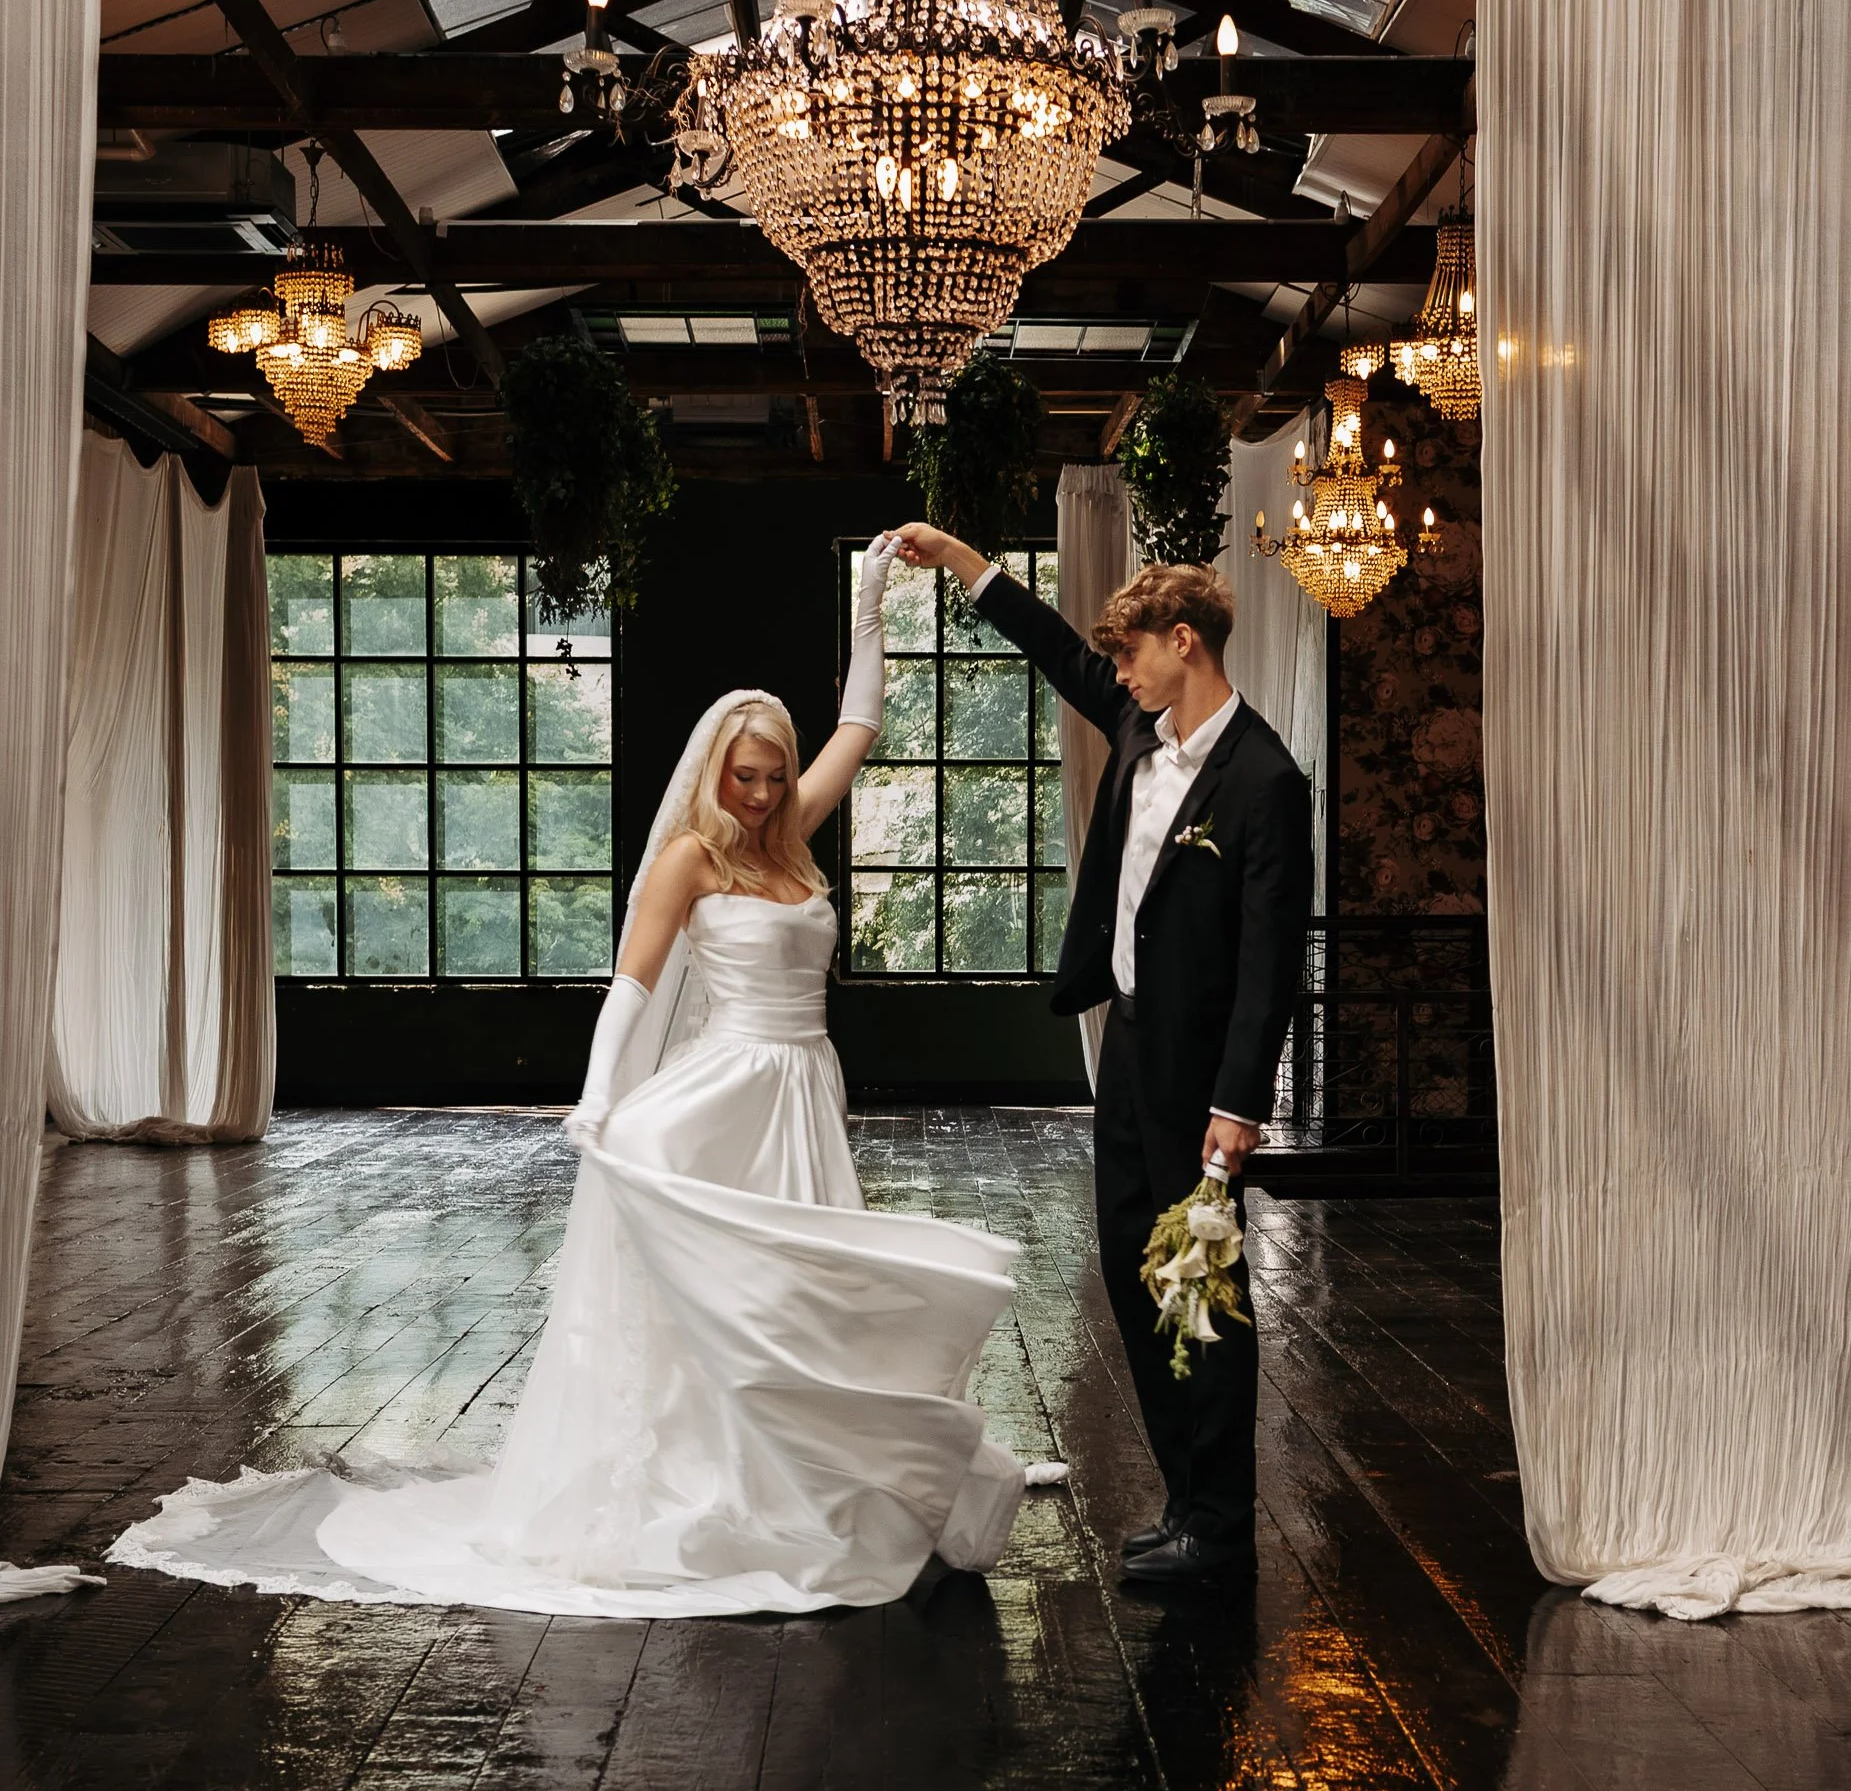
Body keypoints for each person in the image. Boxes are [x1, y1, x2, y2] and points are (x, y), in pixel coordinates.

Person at [109, 536, 1049, 1618]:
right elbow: (634, 988)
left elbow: (862, 724)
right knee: (730, 1294)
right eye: (739, 776)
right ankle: (718, 1478)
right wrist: (602, 1096)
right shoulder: (693, 856)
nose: (754, 792)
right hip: (724, 1089)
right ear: (713, 773)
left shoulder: (795, 835)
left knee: (801, 1290)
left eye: (771, 774)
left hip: (802, 1090)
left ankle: (822, 1471)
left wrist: (872, 600)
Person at [892, 527, 1313, 1584]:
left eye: (1132, 651)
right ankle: (1185, 1501)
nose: (1117, 671)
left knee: (1199, 1287)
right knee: (1137, 1277)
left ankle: (1218, 1525)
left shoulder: (1266, 779)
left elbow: (1270, 963)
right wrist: (959, 561)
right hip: (1126, 1046)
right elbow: (1057, 653)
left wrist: (1238, 1103)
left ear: (1185, 640)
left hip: (1200, 1079)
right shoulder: (1141, 722)